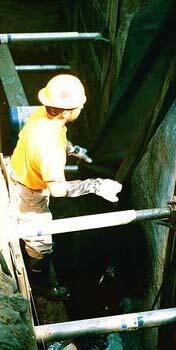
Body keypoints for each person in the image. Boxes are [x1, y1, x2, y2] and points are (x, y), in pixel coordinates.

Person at [10, 74, 122, 298]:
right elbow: (58, 190)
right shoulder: (50, 150)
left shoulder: (42, 114)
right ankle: (40, 286)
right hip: (29, 193)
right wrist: (95, 185)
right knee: (40, 243)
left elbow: (56, 137)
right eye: (79, 105)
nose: (81, 108)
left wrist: (73, 150)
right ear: (66, 111)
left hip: (17, 171)